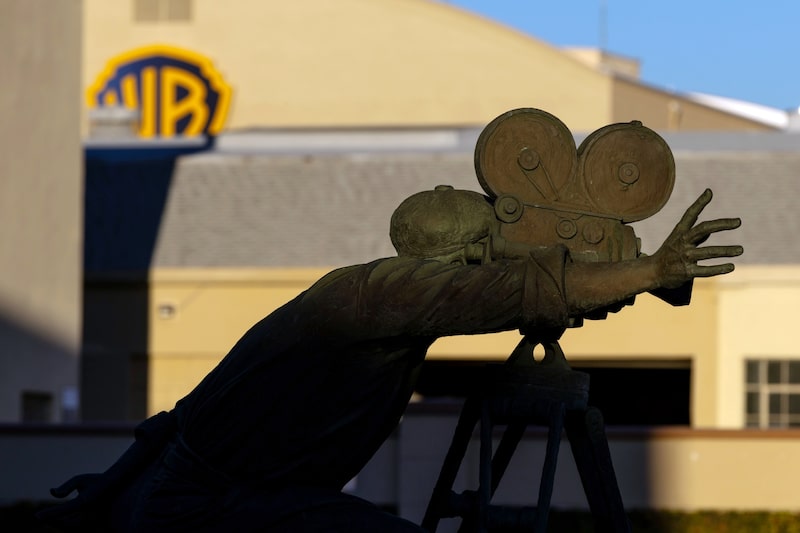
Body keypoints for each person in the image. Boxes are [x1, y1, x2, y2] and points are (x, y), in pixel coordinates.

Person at [39, 187, 741, 532]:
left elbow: (174, 421)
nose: (494, 264)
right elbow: (523, 292)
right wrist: (649, 270)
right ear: (461, 257)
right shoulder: (388, 295)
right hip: (213, 514)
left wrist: (103, 491)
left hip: (203, 498)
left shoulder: (355, 292)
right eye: (487, 252)